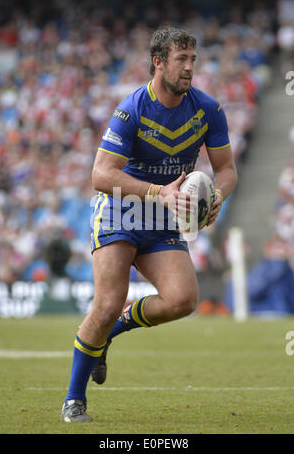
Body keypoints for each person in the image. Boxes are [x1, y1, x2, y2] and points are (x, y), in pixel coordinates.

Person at [61, 27, 237, 422]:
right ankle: (74, 400)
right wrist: (160, 193)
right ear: (158, 62)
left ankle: (111, 334)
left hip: (164, 217)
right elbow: (101, 176)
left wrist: (218, 196)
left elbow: (226, 170)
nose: (190, 67)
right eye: (182, 60)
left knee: (182, 301)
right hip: (121, 211)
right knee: (106, 304)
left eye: (193, 59)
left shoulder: (208, 109)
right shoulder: (131, 109)